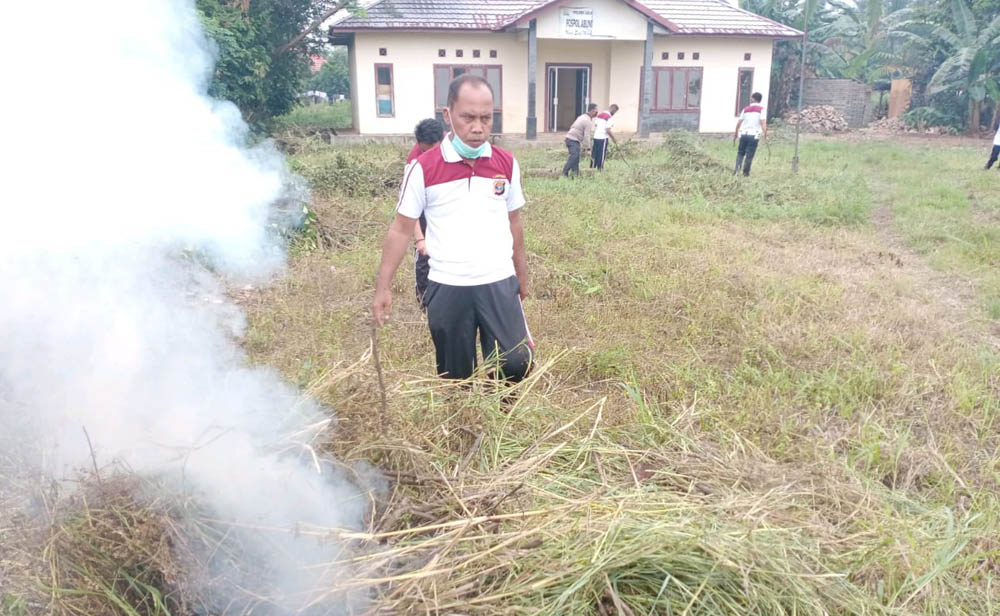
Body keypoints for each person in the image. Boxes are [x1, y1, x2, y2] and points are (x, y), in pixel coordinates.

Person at [373, 74, 533, 382]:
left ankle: (500, 418)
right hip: (448, 285)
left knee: (515, 364)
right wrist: (383, 287)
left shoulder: (506, 163)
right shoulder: (423, 167)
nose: (477, 127)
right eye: (468, 117)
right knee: (456, 375)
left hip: (498, 281)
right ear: (448, 115)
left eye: (486, 118)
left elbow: (514, 222)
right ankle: (465, 425)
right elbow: (401, 229)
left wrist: (521, 274)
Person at [407, 118, 445, 307]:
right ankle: (424, 302)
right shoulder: (414, 161)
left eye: (433, 150)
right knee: (424, 256)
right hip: (423, 206)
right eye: (424, 151)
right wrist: (419, 239)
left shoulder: (455, 148)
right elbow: (410, 206)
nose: (428, 156)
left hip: (444, 204)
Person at [733, 92, 767, 177]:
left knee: (740, 153)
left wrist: (736, 134)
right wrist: (766, 135)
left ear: (753, 99)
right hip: (754, 135)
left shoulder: (745, 109)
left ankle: (736, 171)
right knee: (749, 155)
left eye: (751, 98)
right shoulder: (761, 110)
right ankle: (745, 173)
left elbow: (739, 122)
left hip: (743, 134)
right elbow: (763, 123)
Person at [562, 103, 598, 177]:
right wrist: (588, 148)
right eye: (596, 111)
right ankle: (564, 172)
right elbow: (586, 136)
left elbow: (572, 126)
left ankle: (575, 175)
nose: (597, 113)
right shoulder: (588, 121)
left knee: (576, 158)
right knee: (574, 156)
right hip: (573, 140)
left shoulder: (582, 116)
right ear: (591, 111)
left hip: (570, 138)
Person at [591, 104, 619, 170]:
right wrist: (614, 139)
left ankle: (592, 168)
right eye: (615, 112)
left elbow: (596, 125)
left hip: (596, 137)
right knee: (602, 154)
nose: (614, 113)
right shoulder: (609, 117)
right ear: (613, 110)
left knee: (594, 153)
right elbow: (607, 130)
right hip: (603, 138)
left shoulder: (599, 115)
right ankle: (600, 169)